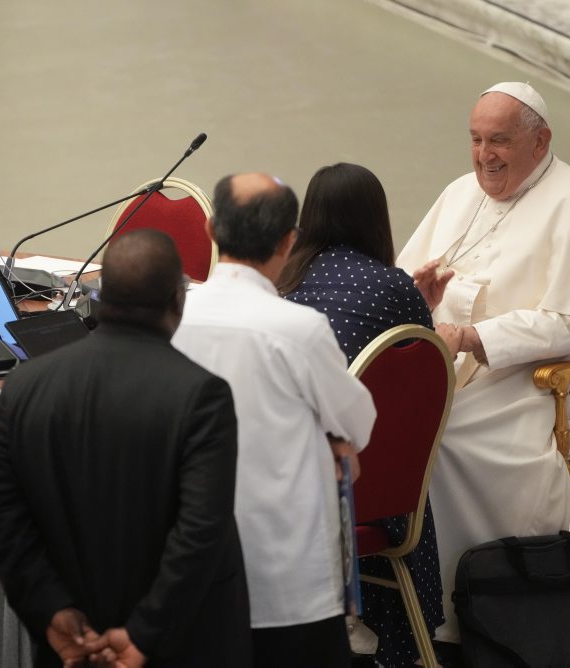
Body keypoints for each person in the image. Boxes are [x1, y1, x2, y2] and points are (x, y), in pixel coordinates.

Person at [396, 82, 570, 643]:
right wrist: (420, 298)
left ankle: (483, 613)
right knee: (399, 420)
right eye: (477, 140)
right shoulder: (462, 192)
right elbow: (408, 275)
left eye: (500, 141)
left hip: (563, 377)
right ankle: (409, 601)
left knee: (450, 436)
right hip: (469, 359)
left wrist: (470, 334)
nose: (485, 156)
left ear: (541, 140)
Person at [0, 229, 251, 667]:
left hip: (69, 645)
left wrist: (52, 612)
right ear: (177, 301)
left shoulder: (25, 387)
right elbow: (200, 532)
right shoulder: (202, 395)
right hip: (176, 646)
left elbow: (1, 518)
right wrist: (143, 634)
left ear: (100, 296)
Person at [172, 172, 376, 666]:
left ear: (212, 231)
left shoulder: (172, 318)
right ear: (289, 241)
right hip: (287, 569)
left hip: (191, 561)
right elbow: (358, 423)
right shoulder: (299, 330)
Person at [277, 162, 444, 667]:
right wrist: (424, 302)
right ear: (376, 219)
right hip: (361, 490)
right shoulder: (393, 286)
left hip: (284, 479)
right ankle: (406, 640)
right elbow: (421, 372)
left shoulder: (284, 280)